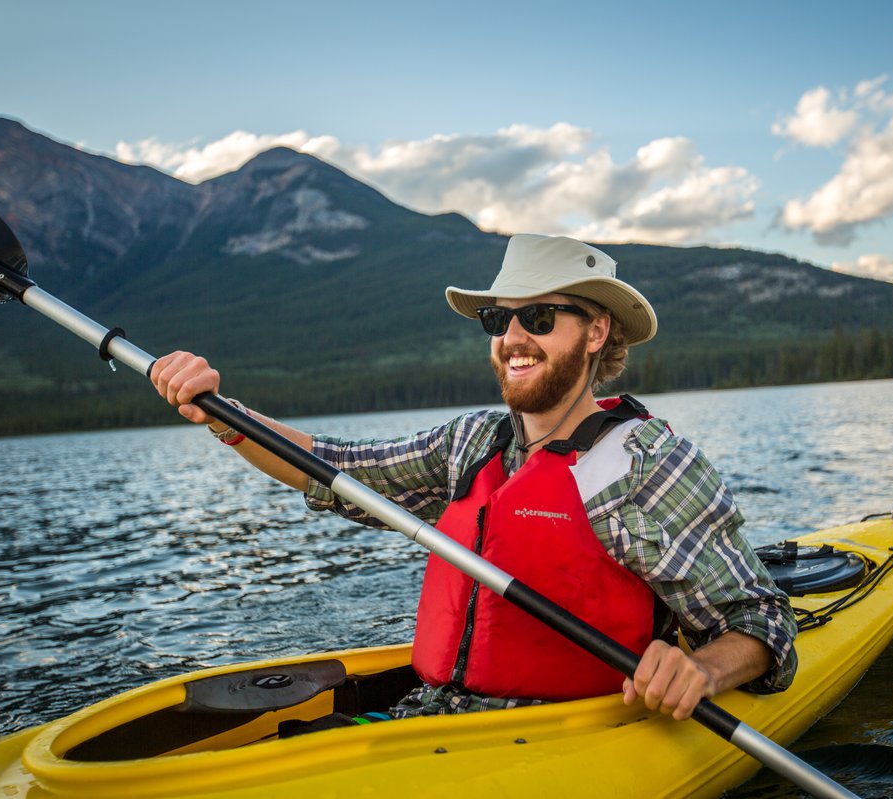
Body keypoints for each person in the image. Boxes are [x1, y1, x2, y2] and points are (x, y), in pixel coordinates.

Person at [151, 233, 797, 721]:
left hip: (565, 735)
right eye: (498, 319)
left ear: (597, 331)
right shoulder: (471, 444)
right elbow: (335, 468)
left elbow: (763, 623)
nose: (512, 337)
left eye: (538, 318)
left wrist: (702, 670)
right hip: (436, 718)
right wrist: (223, 415)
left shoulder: (648, 464)